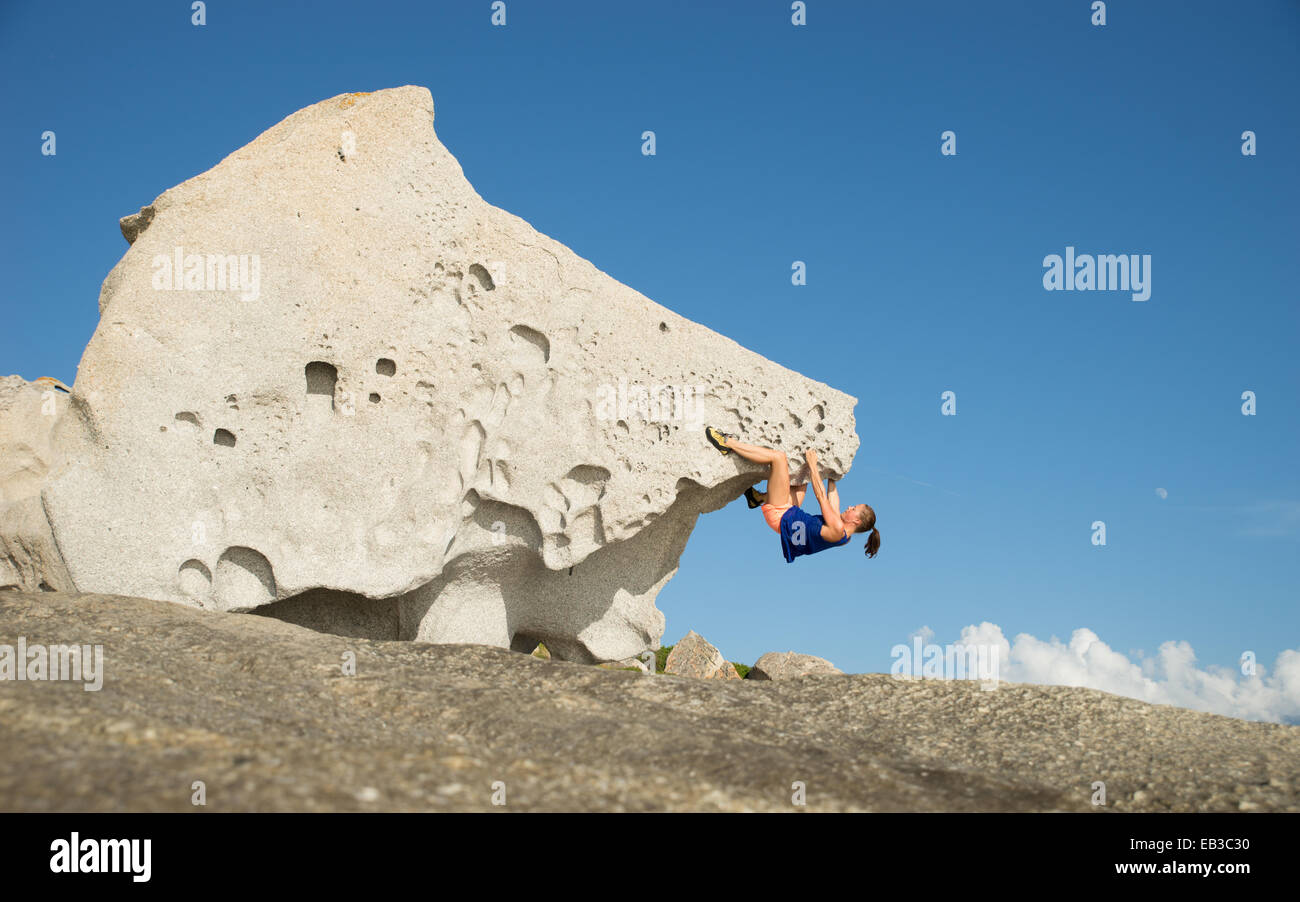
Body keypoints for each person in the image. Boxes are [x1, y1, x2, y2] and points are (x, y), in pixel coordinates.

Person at [705, 426, 880, 562]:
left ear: (856, 520)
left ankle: (727, 443)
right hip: (788, 516)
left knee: (779, 458)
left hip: (780, 514)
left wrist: (813, 464)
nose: (850, 507)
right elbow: (833, 501)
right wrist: (832, 474)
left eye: (854, 508)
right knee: (801, 482)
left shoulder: (836, 528)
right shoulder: (843, 535)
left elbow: (822, 497)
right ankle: (757, 498)